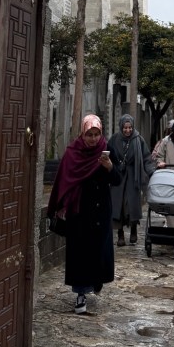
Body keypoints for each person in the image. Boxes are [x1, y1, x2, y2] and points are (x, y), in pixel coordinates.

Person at [47, 113, 121, 315]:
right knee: (79, 255)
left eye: (96, 134)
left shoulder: (107, 150)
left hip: (100, 212)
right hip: (79, 213)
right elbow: (63, 179)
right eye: (90, 134)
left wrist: (110, 167)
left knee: (98, 253)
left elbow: (118, 179)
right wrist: (60, 206)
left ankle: (97, 280)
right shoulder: (73, 152)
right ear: (83, 133)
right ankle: (80, 295)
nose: (94, 139)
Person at [108, 114, 155, 245]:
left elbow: (146, 157)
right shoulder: (114, 139)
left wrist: (151, 171)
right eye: (125, 127)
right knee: (118, 206)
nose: (127, 130)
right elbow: (108, 155)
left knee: (131, 205)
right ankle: (120, 234)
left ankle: (133, 229)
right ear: (121, 127)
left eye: (130, 127)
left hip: (133, 176)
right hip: (118, 177)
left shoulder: (138, 139)